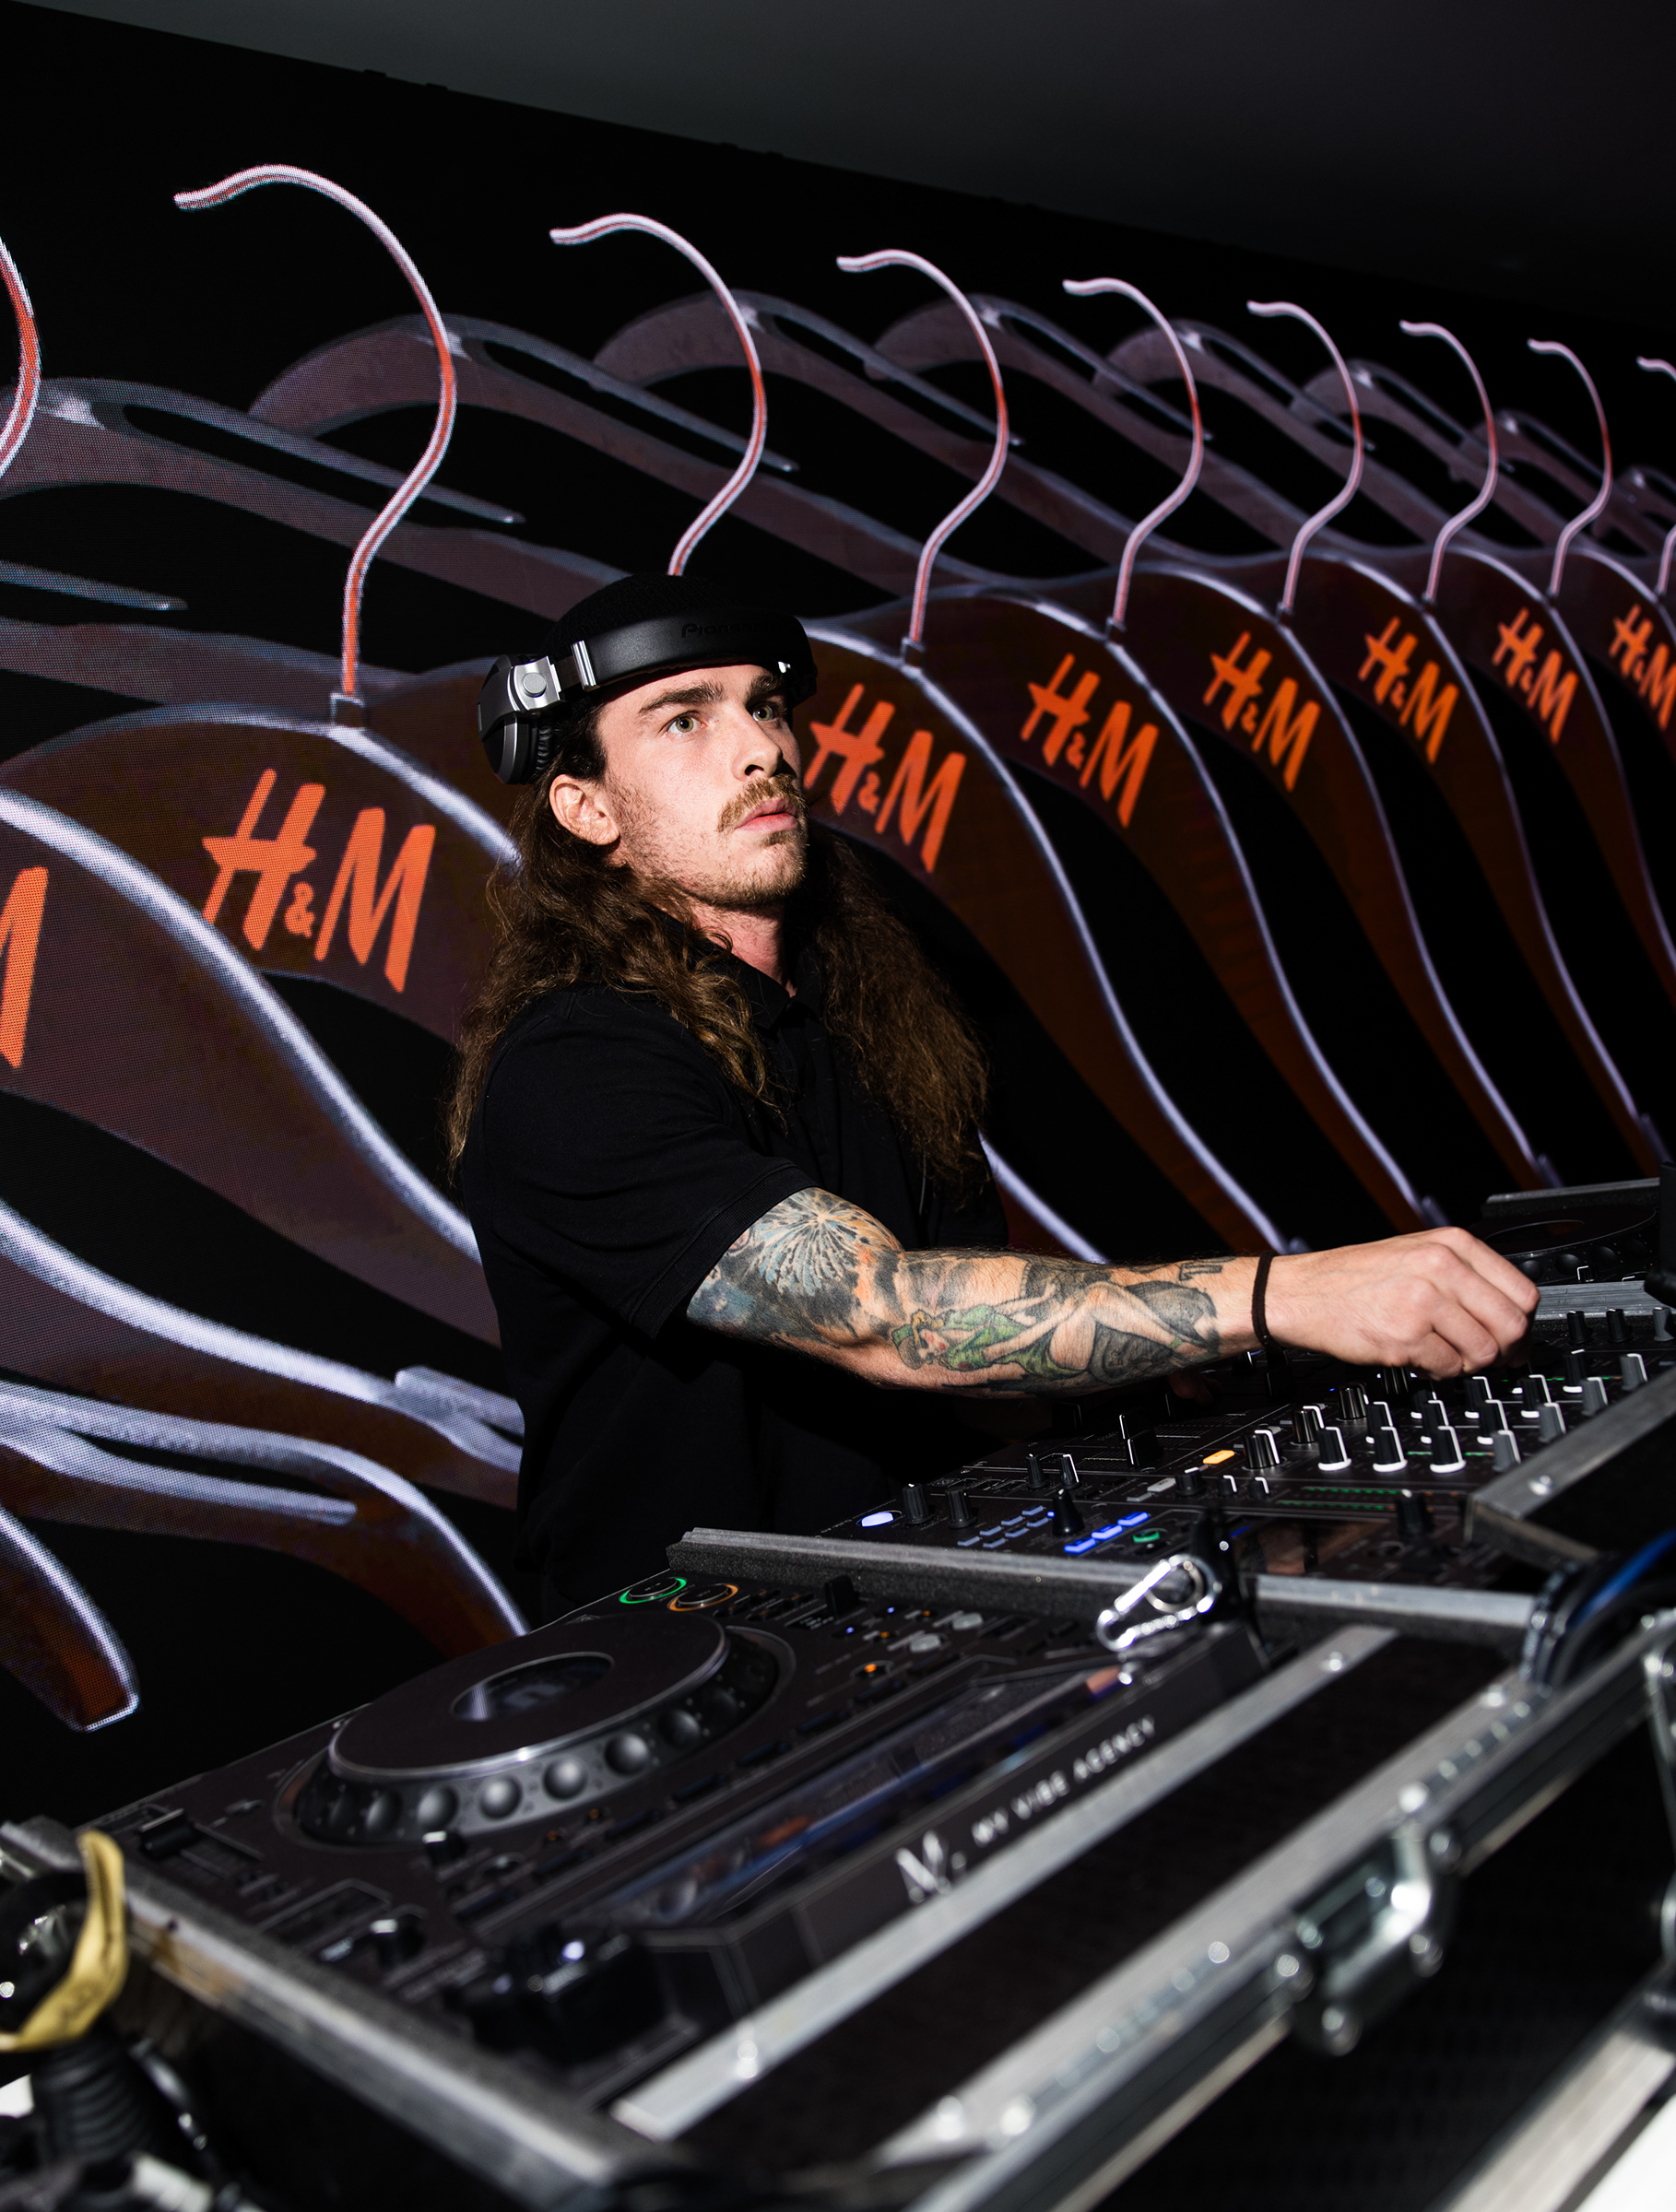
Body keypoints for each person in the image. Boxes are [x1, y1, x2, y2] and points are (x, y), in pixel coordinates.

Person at [453, 574, 1537, 1610]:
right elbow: (889, 1317)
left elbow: (967, 1350)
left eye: (767, 706)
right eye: (685, 720)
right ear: (587, 809)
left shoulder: (866, 1012)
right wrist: (1284, 1299)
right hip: (702, 1655)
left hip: (912, 1586)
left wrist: (1138, 1376)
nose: (760, 749)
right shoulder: (573, 1065)